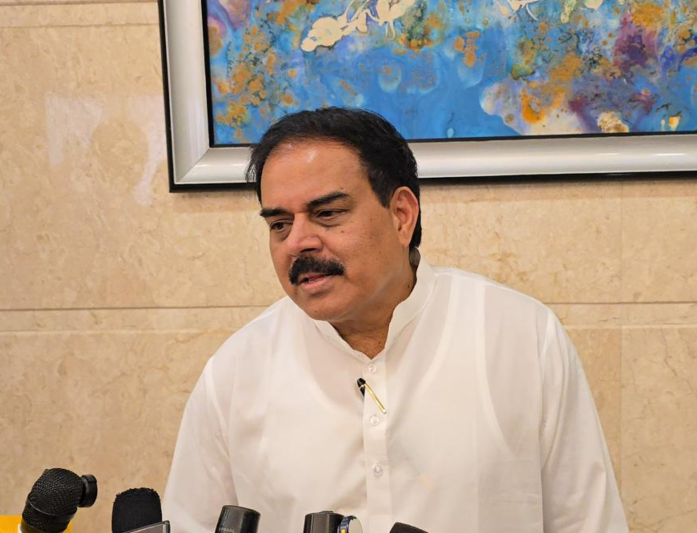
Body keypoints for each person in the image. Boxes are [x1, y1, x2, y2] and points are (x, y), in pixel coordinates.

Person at [164, 107, 627, 532]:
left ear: (401, 215)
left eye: (327, 214)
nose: (297, 242)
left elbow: (588, 523)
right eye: (279, 224)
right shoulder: (236, 371)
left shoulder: (521, 339)